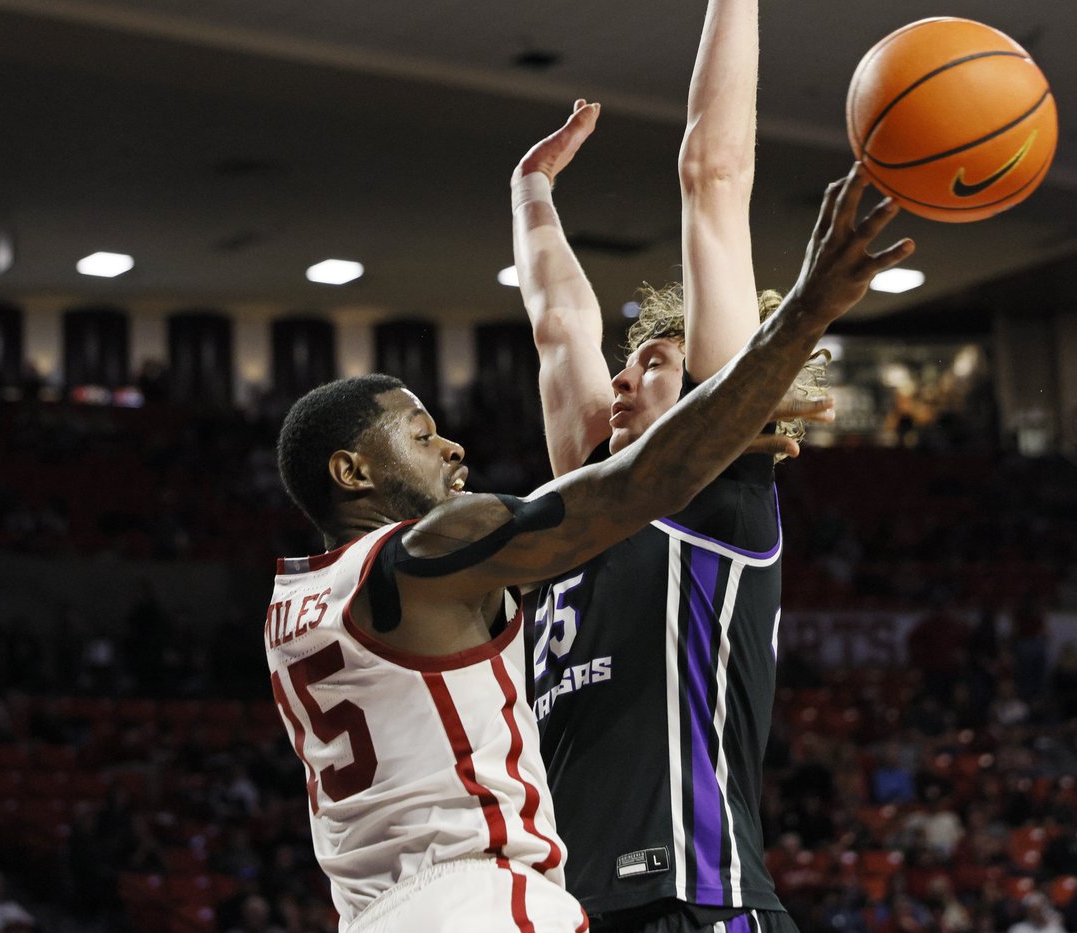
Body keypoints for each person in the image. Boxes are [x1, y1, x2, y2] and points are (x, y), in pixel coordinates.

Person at [266, 164, 912, 929]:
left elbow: (560, 329)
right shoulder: (429, 558)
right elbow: (631, 486)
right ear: (353, 472)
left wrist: (531, 194)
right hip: (480, 897)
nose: (453, 448)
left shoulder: (301, 599)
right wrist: (796, 326)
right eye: (421, 435)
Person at [507, 0, 914, 927]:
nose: (622, 373)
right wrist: (530, 192)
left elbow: (713, 174)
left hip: (698, 895)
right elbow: (556, 324)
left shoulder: (718, 490)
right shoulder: (581, 506)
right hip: (573, 908)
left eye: (653, 361)